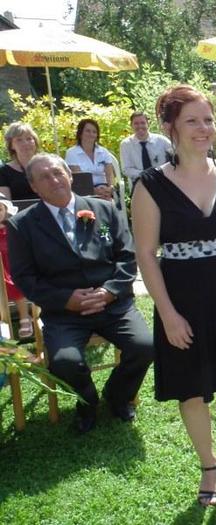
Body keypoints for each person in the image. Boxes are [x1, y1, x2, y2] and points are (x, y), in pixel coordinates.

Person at [131, 85, 216, 507]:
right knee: (191, 389)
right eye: (191, 120)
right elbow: (146, 254)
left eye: (208, 119)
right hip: (183, 300)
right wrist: (168, 314)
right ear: (169, 126)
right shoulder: (150, 185)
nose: (203, 128)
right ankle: (208, 464)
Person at [7, 154, 154, 434]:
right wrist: (66, 300)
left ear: (69, 175)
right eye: (44, 177)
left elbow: (127, 257)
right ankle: (87, 402)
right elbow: (25, 278)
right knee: (64, 362)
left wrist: (109, 292)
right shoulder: (22, 225)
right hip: (64, 313)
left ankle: (117, 395)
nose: (54, 180)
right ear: (33, 186)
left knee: (144, 346)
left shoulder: (105, 210)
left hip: (112, 306)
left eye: (57, 173)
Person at [0, 198, 32, 338]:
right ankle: (2, 320)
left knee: (14, 285)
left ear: (6, 211)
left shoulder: (11, 229)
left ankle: (25, 317)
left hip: (11, 267)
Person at [65, 118, 116, 200]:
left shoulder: (103, 151)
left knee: (109, 199)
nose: (91, 134)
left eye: (94, 132)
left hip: (104, 188)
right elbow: (79, 179)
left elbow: (109, 174)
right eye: (88, 131)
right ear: (80, 133)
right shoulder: (72, 153)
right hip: (83, 190)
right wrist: (94, 191)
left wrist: (110, 188)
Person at [119, 111, 172, 184]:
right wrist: (147, 175)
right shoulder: (126, 144)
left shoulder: (162, 141)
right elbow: (126, 169)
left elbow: (175, 158)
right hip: (140, 181)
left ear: (148, 124)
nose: (140, 126)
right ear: (131, 125)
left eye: (143, 123)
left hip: (163, 180)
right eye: (136, 123)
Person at [0, 122, 41, 200]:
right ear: (11, 145)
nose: (25, 143)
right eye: (19, 140)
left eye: (29, 139)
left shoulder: (48, 166)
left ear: (35, 142)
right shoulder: (3, 172)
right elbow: (6, 204)